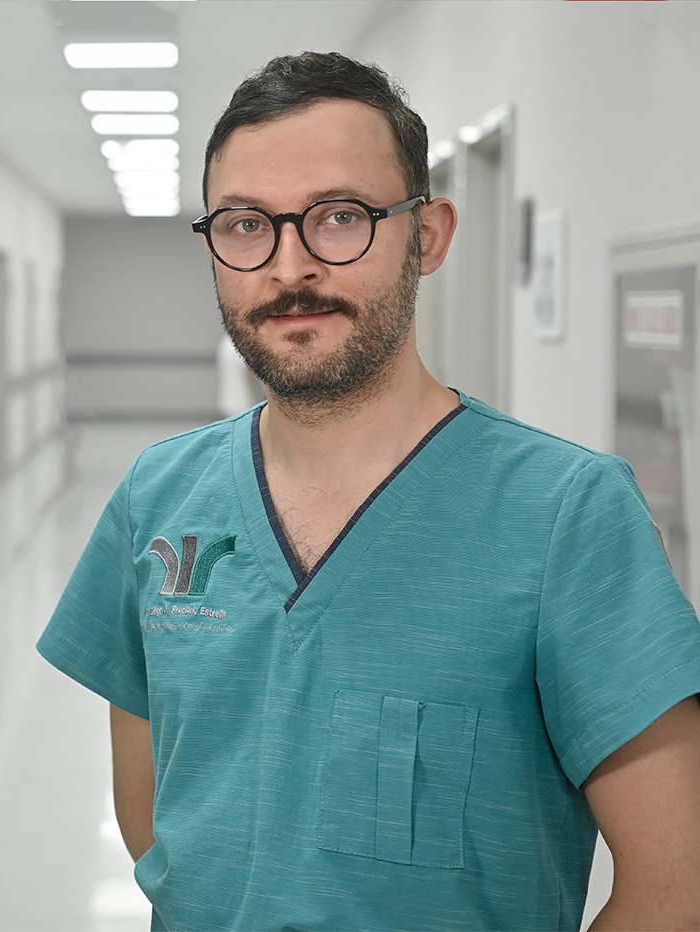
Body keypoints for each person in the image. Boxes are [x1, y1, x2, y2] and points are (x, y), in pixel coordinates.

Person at [37, 51, 700, 932]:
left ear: (427, 235)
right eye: (245, 224)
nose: (289, 266)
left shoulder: (568, 516)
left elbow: (674, 884)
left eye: (339, 217)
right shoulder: (159, 496)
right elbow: (163, 830)